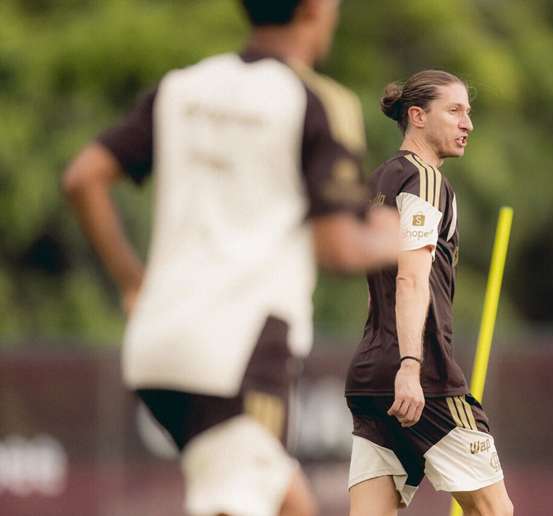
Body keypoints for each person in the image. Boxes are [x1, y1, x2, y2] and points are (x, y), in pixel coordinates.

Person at [62, 1, 401, 515]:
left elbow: (83, 178)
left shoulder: (182, 87)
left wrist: (133, 282)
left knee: (289, 501)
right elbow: (338, 246)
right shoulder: (317, 100)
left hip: (156, 347)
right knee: (238, 501)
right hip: (241, 351)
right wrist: (408, 234)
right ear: (314, 8)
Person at [344, 70, 514, 516]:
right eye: (455, 111)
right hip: (424, 377)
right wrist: (410, 365)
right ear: (417, 116)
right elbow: (409, 278)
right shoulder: (426, 179)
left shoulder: (378, 180)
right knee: (495, 511)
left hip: (369, 376)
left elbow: (372, 288)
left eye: (469, 113)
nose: (468, 124)